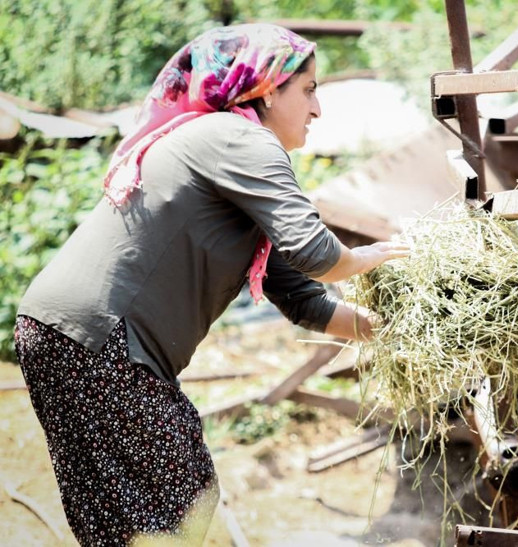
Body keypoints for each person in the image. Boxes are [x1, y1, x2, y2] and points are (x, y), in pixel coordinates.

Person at [13, 23, 408, 545]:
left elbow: (302, 298)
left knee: (126, 517)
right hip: (96, 339)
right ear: (269, 89)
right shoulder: (238, 138)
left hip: (62, 333)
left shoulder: (229, 150)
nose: (318, 110)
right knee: (179, 498)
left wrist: (399, 332)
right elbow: (315, 254)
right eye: (310, 90)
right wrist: (363, 258)